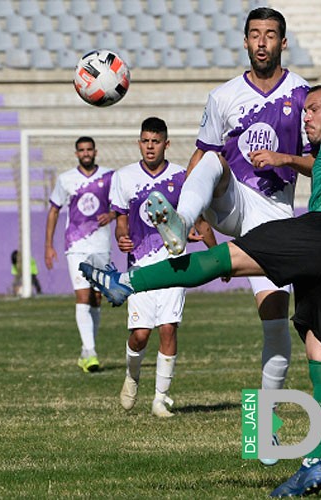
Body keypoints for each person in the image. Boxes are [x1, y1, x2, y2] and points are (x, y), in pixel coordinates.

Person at [81, 83, 321, 497]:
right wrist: (297, 167)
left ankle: (128, 282)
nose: (306, 117)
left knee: (227, 260)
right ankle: (314, 466)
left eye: (313, 109)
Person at [146, 7, 312, 461]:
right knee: (216, 162)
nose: (262, 42)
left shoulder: (302, 95)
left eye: (271, 35)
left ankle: (261, 434)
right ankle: (176, 224)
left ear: (283, 42)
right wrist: (194, 213)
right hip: (232, 200)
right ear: (244, 42)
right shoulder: (222, 97)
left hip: (275, 216)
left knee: (276, 323)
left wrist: (285, 158)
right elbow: (201, 157)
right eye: (255, 35)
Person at [111, 117, 217, 417]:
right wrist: (121, 237)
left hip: (175, 264)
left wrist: (218, 256)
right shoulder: (124, 177)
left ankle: (161, 398)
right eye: (145, 141)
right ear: (139, 142)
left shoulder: (182, 178)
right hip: (141, 267)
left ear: (166, 144)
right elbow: (121, 220)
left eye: (155, 141)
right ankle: (132, 376)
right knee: (141, 335)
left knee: (168, 329)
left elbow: (198, 219)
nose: (150, 147)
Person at [45, 136, 114, 373]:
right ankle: (91, 351)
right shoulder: (66, 180)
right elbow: (53, 211)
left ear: (95, 151)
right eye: (81, 150)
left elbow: (120, 205)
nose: (85, 153)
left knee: (96, 299)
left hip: (101, 245)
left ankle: (87, 350)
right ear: (76, 154)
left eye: (89, 149)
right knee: (83, 297)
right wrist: (48, 245)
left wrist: (112, 216)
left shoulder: (109, 176)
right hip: (75, 246)